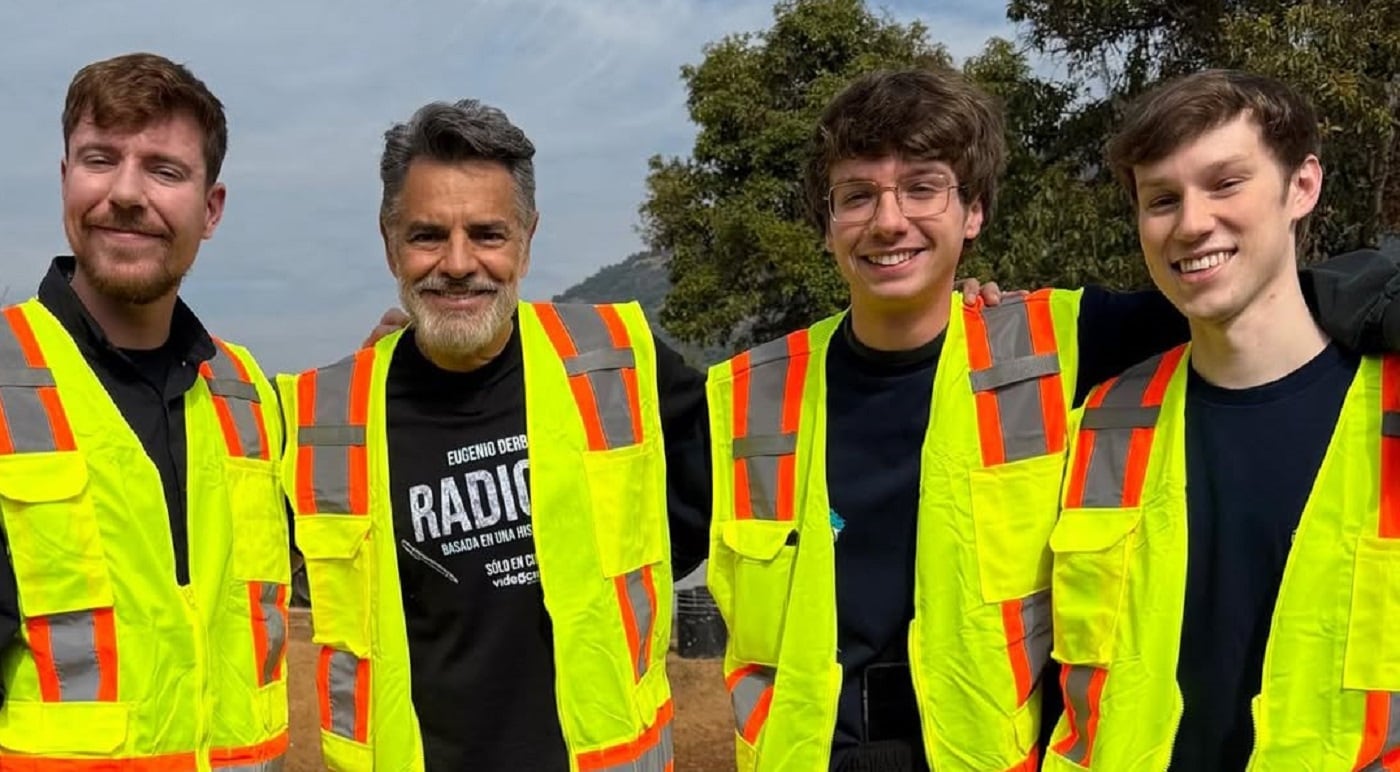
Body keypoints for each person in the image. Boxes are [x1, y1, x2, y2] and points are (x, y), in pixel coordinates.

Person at [704, 65, 1400, 772]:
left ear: (973, 213)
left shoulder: (1065, 344)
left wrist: (1375, 298)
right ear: (827, 225)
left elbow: (1239, 287)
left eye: (923, 187)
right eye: (857, 197)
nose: (888, 220)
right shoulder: (743, 395)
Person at [279, 99, 712, 771]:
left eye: (487, 233)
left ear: (527, 237)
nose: (457, 263)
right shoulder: (322, 417)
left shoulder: (617, 361)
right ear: (390, 239)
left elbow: (730, 499)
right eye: (427, 236)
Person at [1044, 69, 1400, 771]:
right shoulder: (1098, 426)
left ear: (1302, 186)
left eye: (1225, 183)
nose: (1192, 222)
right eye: (1162, 199)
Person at [0, 53, 290, 767]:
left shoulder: (252, 395)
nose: (126, 193)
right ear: (65, 179)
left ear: (211, 208)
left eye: (164, 170)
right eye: (100, 159)